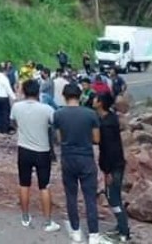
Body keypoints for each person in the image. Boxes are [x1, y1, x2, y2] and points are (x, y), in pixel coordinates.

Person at [53, 83, 106, 244]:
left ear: (64, 96)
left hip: (68, 158)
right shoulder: (90, 114)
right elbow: (97, 139)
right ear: (80, 96)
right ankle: (94, 234)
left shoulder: (58, 114)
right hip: (86, 158)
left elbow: (59, 138)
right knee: (90, 197)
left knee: (71, 196)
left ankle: (76, 231)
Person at [10, 79, 61, 233]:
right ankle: (47, 221)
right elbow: (55, 125)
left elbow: (13, 124)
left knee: (24, 184)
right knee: (44, 186)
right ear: (38, 92)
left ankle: (25, 217)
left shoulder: (16, 107)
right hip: (42, 151)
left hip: (24, 149)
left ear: (24, 92)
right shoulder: (46, 109)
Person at [94, 93, 130, 242]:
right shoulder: (109, 119)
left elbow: (109, 149)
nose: (93, 100)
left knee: (113, 198)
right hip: (116, 164)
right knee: (114, 197)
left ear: (100, 103)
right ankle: (121, 226)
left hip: (113, 166)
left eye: (96, 99)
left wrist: (108, 171)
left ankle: (123, 232)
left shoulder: (106, 125)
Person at [0, 65, 16, 134]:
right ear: (5, 71)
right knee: (5, 114)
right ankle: (5, 129)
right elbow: (8, 89)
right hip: (4, 97)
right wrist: (14, 97)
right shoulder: (4, 78)